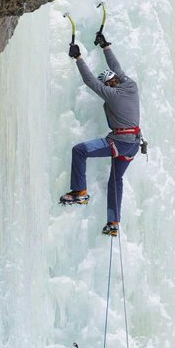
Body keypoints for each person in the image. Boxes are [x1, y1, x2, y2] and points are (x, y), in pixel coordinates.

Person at [58, 28, 142, 237]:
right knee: (115, 180)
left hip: (119, 143)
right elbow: (117, 67)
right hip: (133, 145)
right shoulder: (131, 86)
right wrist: (106, 46)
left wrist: (78, 57)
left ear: (109, 83)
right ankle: (113, 223)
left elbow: (90, 81)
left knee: (79, 150)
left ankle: (80, 192)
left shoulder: (111, 94)